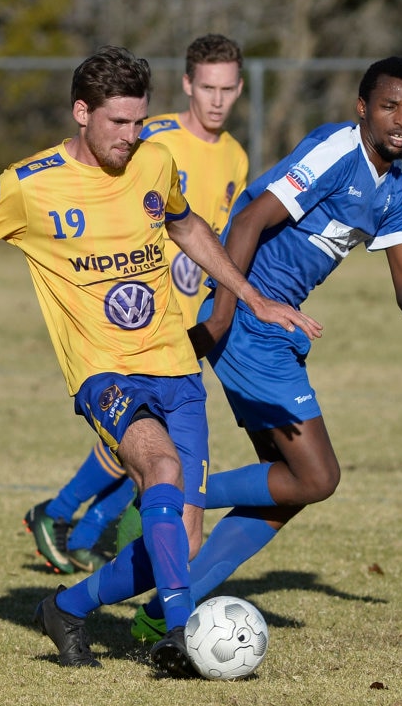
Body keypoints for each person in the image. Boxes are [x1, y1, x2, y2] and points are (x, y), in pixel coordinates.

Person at [0, 45, 318, 677]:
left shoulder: (154, 162)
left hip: (176, 363)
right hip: (104, 371)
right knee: (158, 466)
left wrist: (253, 297)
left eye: (138, 122)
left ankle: (68, 606)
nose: (131, 137)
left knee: (180, 543)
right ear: (82, 112)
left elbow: (185, 227)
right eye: (118, 124)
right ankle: (182, 631)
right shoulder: (30, 184)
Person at [130, 55, 402, 643]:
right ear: (363, 108)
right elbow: (249, 221)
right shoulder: (338, 150)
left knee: (284, 491)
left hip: (277, 331)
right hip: (253, 321)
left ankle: (166, 606)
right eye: (389, 106)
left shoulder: (400, 190)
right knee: (318, 477)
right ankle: (177, 494)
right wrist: (228, 316)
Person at [23, 34, 249, 575]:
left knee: (157, 448)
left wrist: (224, 307)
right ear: (189, 85)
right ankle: (63, 517)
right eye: (207, 87)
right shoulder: (151, 140)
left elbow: (200, 229)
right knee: (146, 440)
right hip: (130, 316)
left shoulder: (236, 155)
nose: (217, 101)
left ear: (240, 90)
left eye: (228, 89)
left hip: (184, 314)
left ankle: (79, 529)